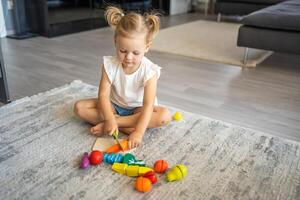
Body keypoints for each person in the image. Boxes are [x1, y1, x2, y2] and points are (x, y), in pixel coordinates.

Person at [74, 6, 171, 149]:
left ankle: (116, 124)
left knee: (164, 116)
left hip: (138, 110)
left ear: (147, 47)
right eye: (123, 51)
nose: (129, 58)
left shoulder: (150, 71)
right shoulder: (109, 65)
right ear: (115, 42)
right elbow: (103, 95)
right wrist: (109, 116)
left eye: (136, 53)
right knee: (79, 108)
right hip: (115, 106)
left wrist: (138, 132)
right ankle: (123, 126)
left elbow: (148, 105)